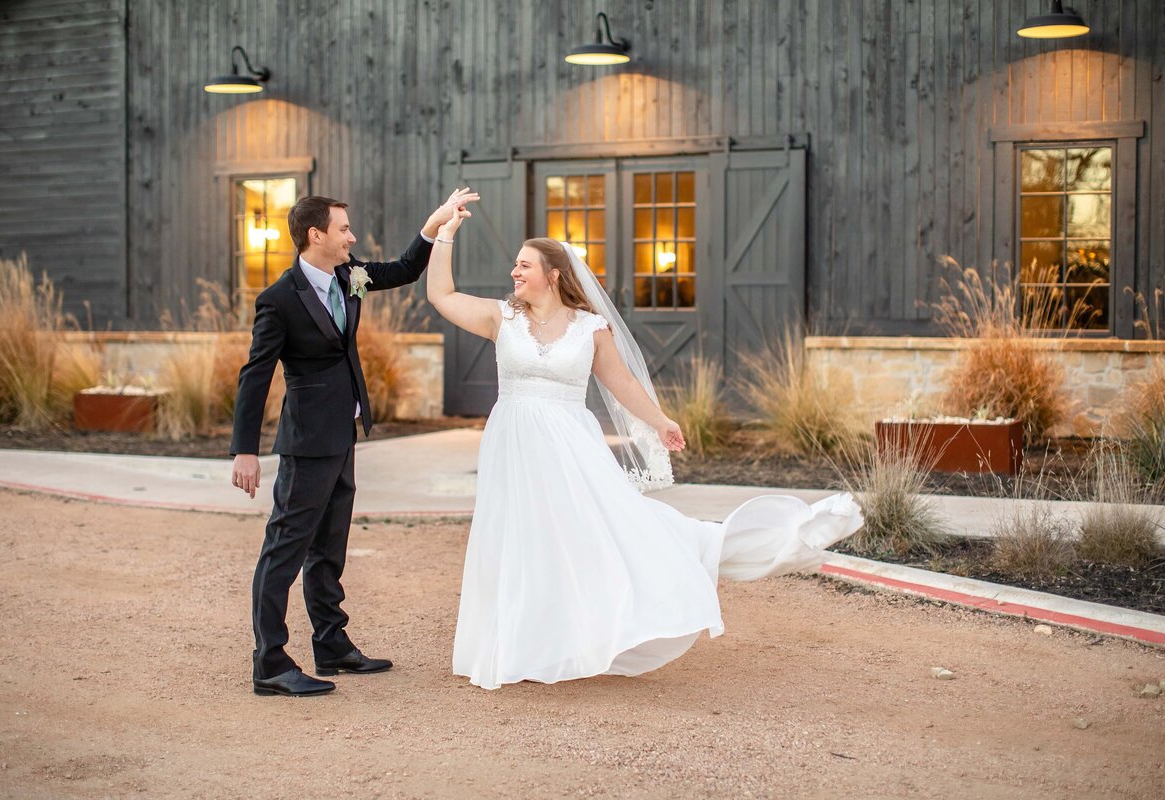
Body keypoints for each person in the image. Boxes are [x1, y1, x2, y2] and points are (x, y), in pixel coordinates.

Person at [427, 196, 864, 690]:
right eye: (515, 265)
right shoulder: (500, 318)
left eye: (524, 265)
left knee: (609, 528)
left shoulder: (591, 329)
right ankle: (522, 645)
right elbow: (442, 295)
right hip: (514, 444)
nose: (514, 272)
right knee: (521, 539)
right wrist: (445, 233)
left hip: (571, 445)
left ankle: (764, 540)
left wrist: (660, 422)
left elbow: (624, 384)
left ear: (553, 274)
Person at [230, 189, 480, 697]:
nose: (353, 237)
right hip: (305, 442)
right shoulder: (279, 298)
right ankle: (270, 663)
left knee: (329, 545)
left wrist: (433, 225)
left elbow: (406, 269)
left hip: (344, 435)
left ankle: (331, 644)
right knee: (284, 548)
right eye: (344, 229)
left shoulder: (350, 275)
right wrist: (244, 449)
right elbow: (255, 375)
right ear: (315, 235)